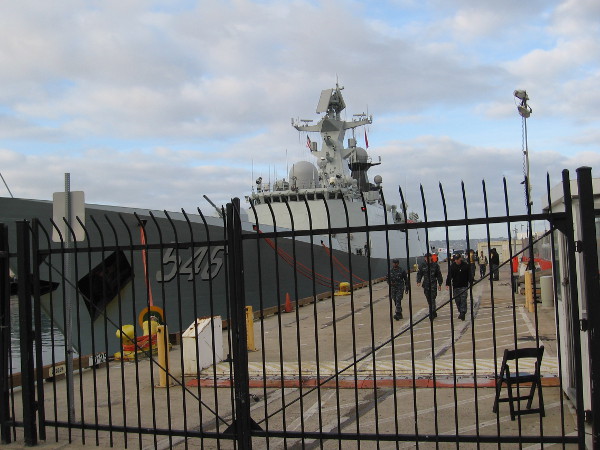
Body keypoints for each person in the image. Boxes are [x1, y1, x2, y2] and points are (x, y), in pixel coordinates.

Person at [445, 253, 473, 320]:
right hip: (456, 286)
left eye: (458, 259)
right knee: (457, 301)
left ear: (460, 258)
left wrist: (471, 282)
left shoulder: (465, 265)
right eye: (456, 259)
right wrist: (447, 284)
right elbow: (449, 276)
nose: (457, 261)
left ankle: (463, 313)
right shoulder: (452, 266)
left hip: (464, 286)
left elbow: (469, 275)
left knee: (463, 299)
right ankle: (460, 311)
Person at [416, 253, 443, 320]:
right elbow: (419, 274)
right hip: (426, 285)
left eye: (428, 257)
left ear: (431, 257)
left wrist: (440, 284)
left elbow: (439, 275)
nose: (427, 258)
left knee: (432, 298)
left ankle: (431, 313)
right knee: (429, 299)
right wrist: (418, 281)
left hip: (433, 284)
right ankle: (433, 311)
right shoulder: (422, 265)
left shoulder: (435, 265)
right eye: (426, 257)